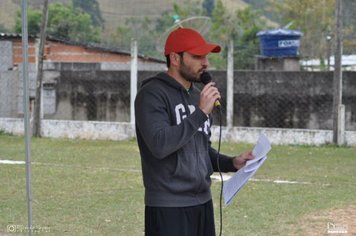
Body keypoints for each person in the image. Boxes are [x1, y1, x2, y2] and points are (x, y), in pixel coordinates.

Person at [135, 27, 254, 236]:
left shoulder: (196, 97)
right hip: (168, 207)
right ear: (175, 58)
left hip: (203, 202)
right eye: (197, 56)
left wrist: (231, 163)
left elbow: (200, 149)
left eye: (206, 57)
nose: (205, 63)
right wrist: (200, 113)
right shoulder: (152, 95)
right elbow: (160, 145)